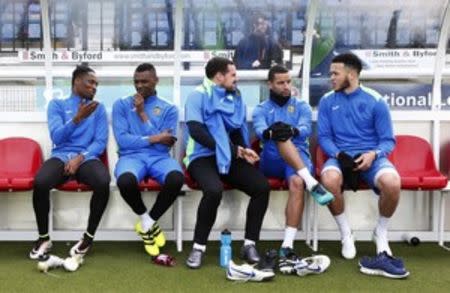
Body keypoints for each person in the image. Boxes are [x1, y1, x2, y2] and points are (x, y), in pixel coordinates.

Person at [317, 53, 403, 267]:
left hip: (371, 158)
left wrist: (373, 154)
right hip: (340, 157)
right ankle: (346, 233)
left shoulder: (375, 100)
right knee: (328, 181)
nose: (331, 78)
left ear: (352, 74)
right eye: (331, 74)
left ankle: (380, 233)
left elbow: (387, 141)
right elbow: (324, 138)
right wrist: (339, 155)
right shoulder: (327, 101)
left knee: (392, 184)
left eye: (335, 73)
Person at [184, 57, 270, 269]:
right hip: (200, 158)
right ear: (219, 76)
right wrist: (233, 150)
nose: (236, 78)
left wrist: (244, 150)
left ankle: (249, 245)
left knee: (261, 187)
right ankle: (198, 247)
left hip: (229, 156)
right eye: (233, 74)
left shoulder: (236, 96)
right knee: (213, 191)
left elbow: (238, 129)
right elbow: (197, 131)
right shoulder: (197, 96)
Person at [252, 65, 333, 274]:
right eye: (281, 82)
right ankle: (312, 182)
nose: (286, 86)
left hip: (297, 158)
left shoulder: (302, 106)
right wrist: (272, 132)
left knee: (297, 182)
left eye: (288, 81)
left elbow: (306, 128)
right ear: (270, 84)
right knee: (279, 136)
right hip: (271, 160)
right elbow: (260, 131)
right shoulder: (261, 108)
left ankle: (286, 245)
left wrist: (291, 130)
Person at [29, 64, 110, 259]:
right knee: (40, 182)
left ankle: (88, 238)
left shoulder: (98, 109)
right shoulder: (56, 105)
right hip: (61, 155)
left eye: (96, 84)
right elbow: (57, 137)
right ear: (76, 82)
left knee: (103, 182)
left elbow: (100, 142)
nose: (94, 87)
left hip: (86, 157)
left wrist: (80, 158)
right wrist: (77, 119)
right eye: (90, 83)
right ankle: (44, 238)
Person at [112, 63, 184, 257]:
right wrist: (154, 137)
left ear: (156, 81)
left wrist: (143, 114)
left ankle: (147, 222)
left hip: (159, 158)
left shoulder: (169, 109)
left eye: (144, 81)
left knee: (176, 178)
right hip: (130, 157)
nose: (139, 85)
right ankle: (146, 221)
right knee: (125, 181)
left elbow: (163, 146)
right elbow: (123, 141)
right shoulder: (121, 105)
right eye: (136, 81)